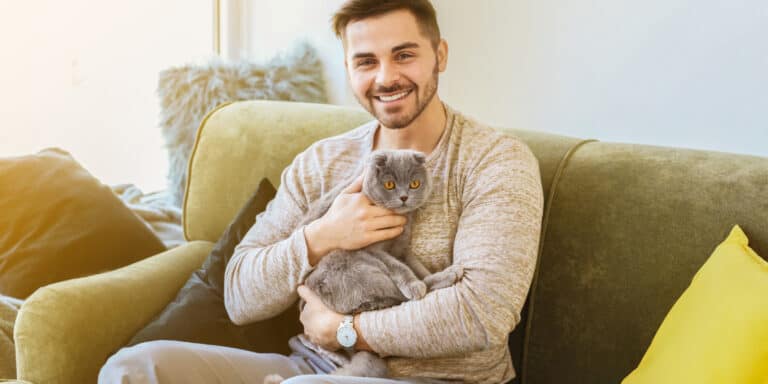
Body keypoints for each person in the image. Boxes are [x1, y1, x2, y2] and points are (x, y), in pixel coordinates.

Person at [98, 0, 543, 383]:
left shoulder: (495, 161)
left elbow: (482, 313)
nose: (386, 78)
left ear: (439, 55)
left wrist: (346, 329)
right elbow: (238, 295)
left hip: (439, 379)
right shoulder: (321, 162)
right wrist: (321, 237)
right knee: (134, 369)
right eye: (366, 61)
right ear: (349, 67)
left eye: (404, 55)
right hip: (309, 367)